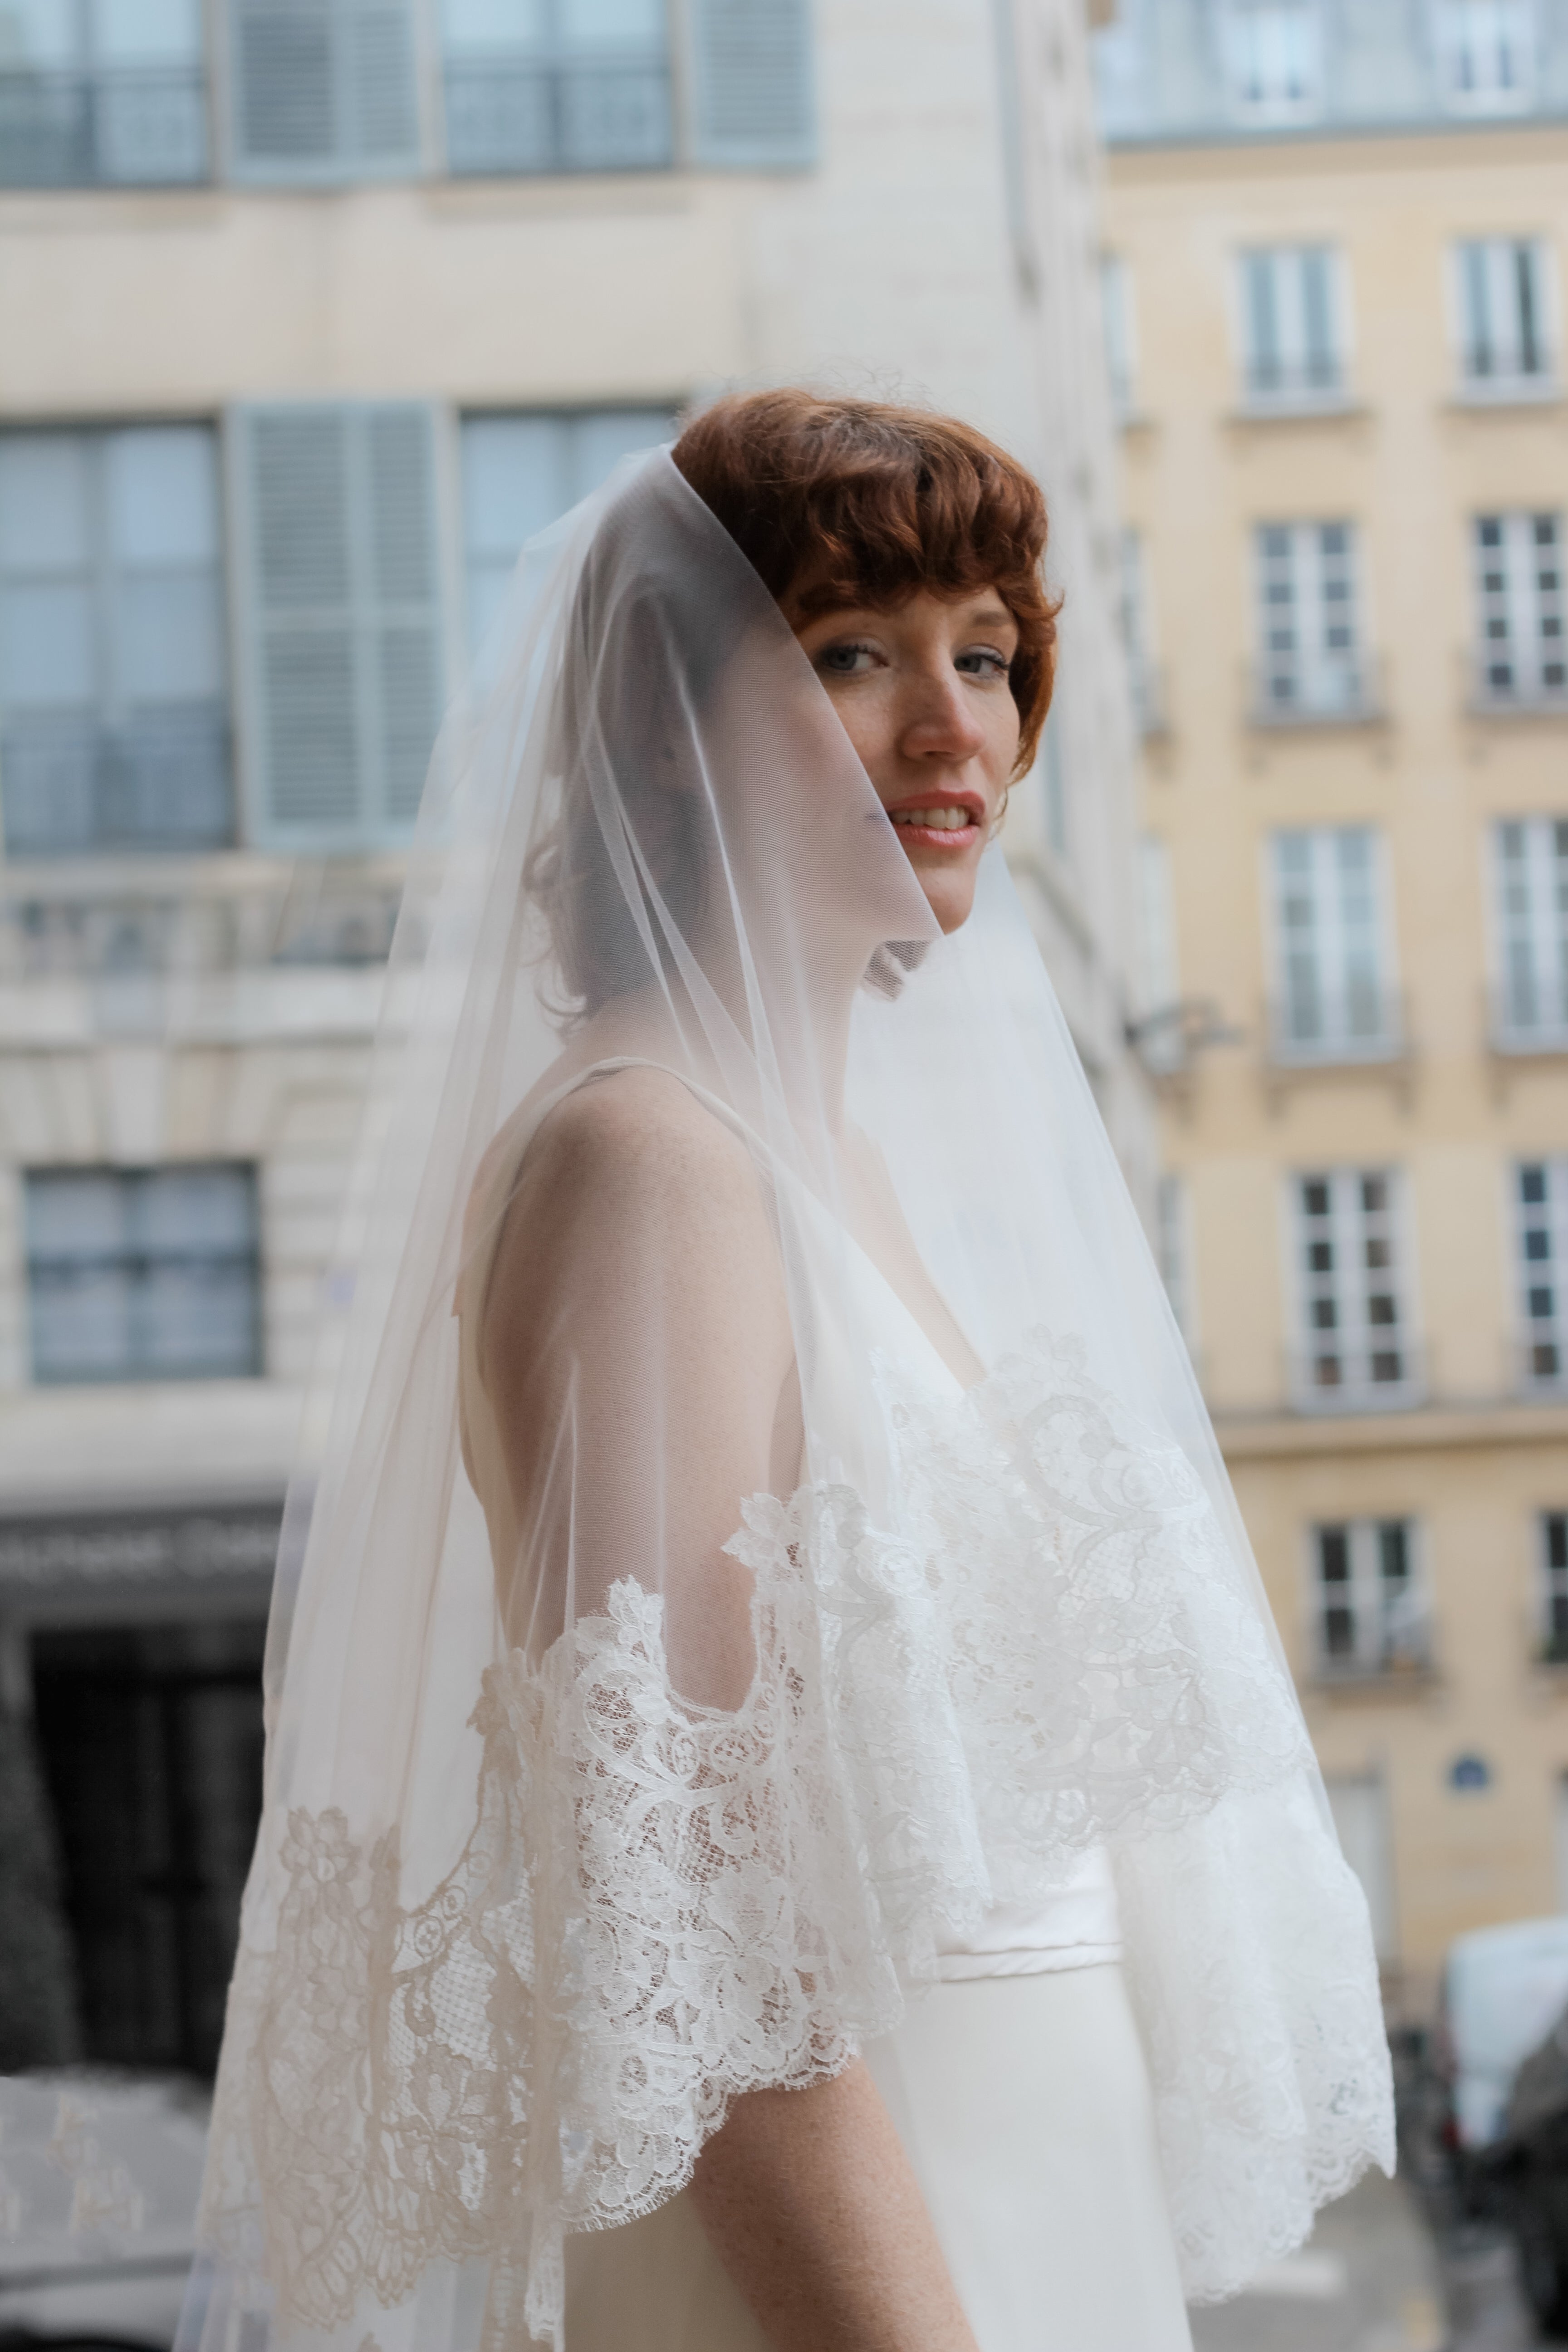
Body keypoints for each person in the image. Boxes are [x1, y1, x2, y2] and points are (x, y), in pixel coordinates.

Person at [183, 393, 1393, 2352]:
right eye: (855, 654)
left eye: (988, 659)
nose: (955, 732)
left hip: (1031, 2229)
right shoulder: (650, 1165)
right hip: (857, 2292)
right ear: (668, 724)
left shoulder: (839, 1173)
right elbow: (693, 1947)